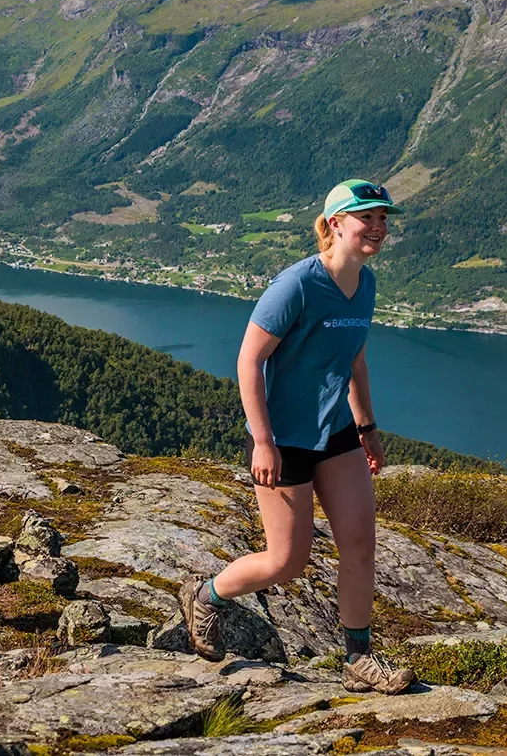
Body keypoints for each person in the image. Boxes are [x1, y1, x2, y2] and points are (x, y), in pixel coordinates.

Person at [177, 179, 416, 694]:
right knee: (287, 561)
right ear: (335, 224)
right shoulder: (298, 285)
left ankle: (358, 658)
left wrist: (367, 426)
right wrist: (262, 440)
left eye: (383, 218)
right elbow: (249, 359)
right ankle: (206, 596)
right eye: (367, 218)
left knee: (360, 544)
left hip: (335, 432)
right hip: (283, 439)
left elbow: (353, 357)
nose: (378, 227)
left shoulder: (365, 284)